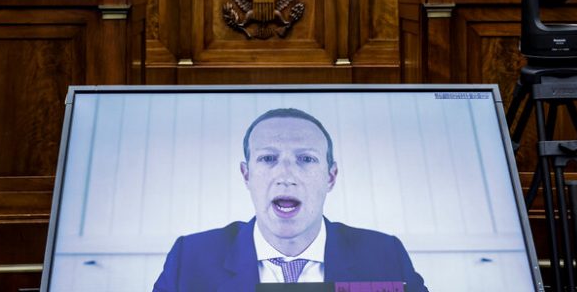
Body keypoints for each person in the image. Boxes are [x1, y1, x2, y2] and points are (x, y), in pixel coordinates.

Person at [153, 108, 427, 291]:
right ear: (246, 175)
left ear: (330, 177)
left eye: (306, 159)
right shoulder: (189, 259)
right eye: (268, 158)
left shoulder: (386, 255)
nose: (285, 175)